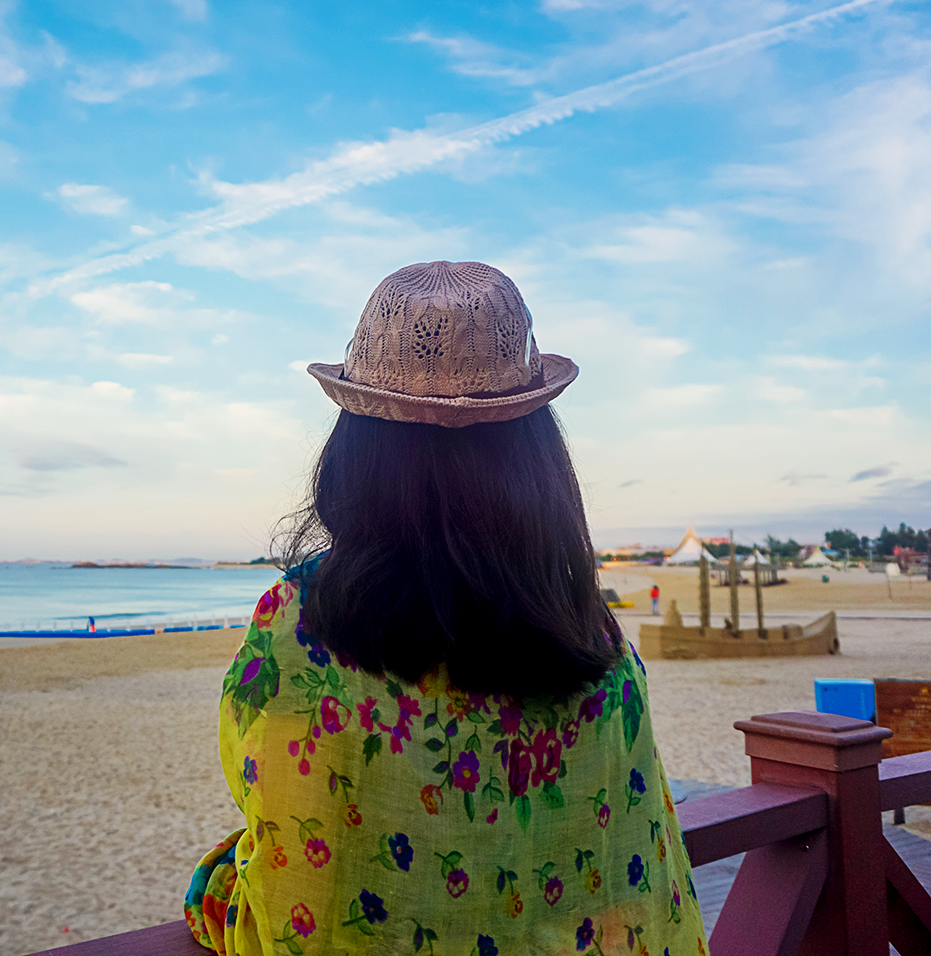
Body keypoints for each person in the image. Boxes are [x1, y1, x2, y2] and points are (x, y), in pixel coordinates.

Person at [184, 262, 702, 956]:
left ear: (354, 449)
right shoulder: (591, 632)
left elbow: (286, 844)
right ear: (537, 457)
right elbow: (630, 869)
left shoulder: (302, 625)